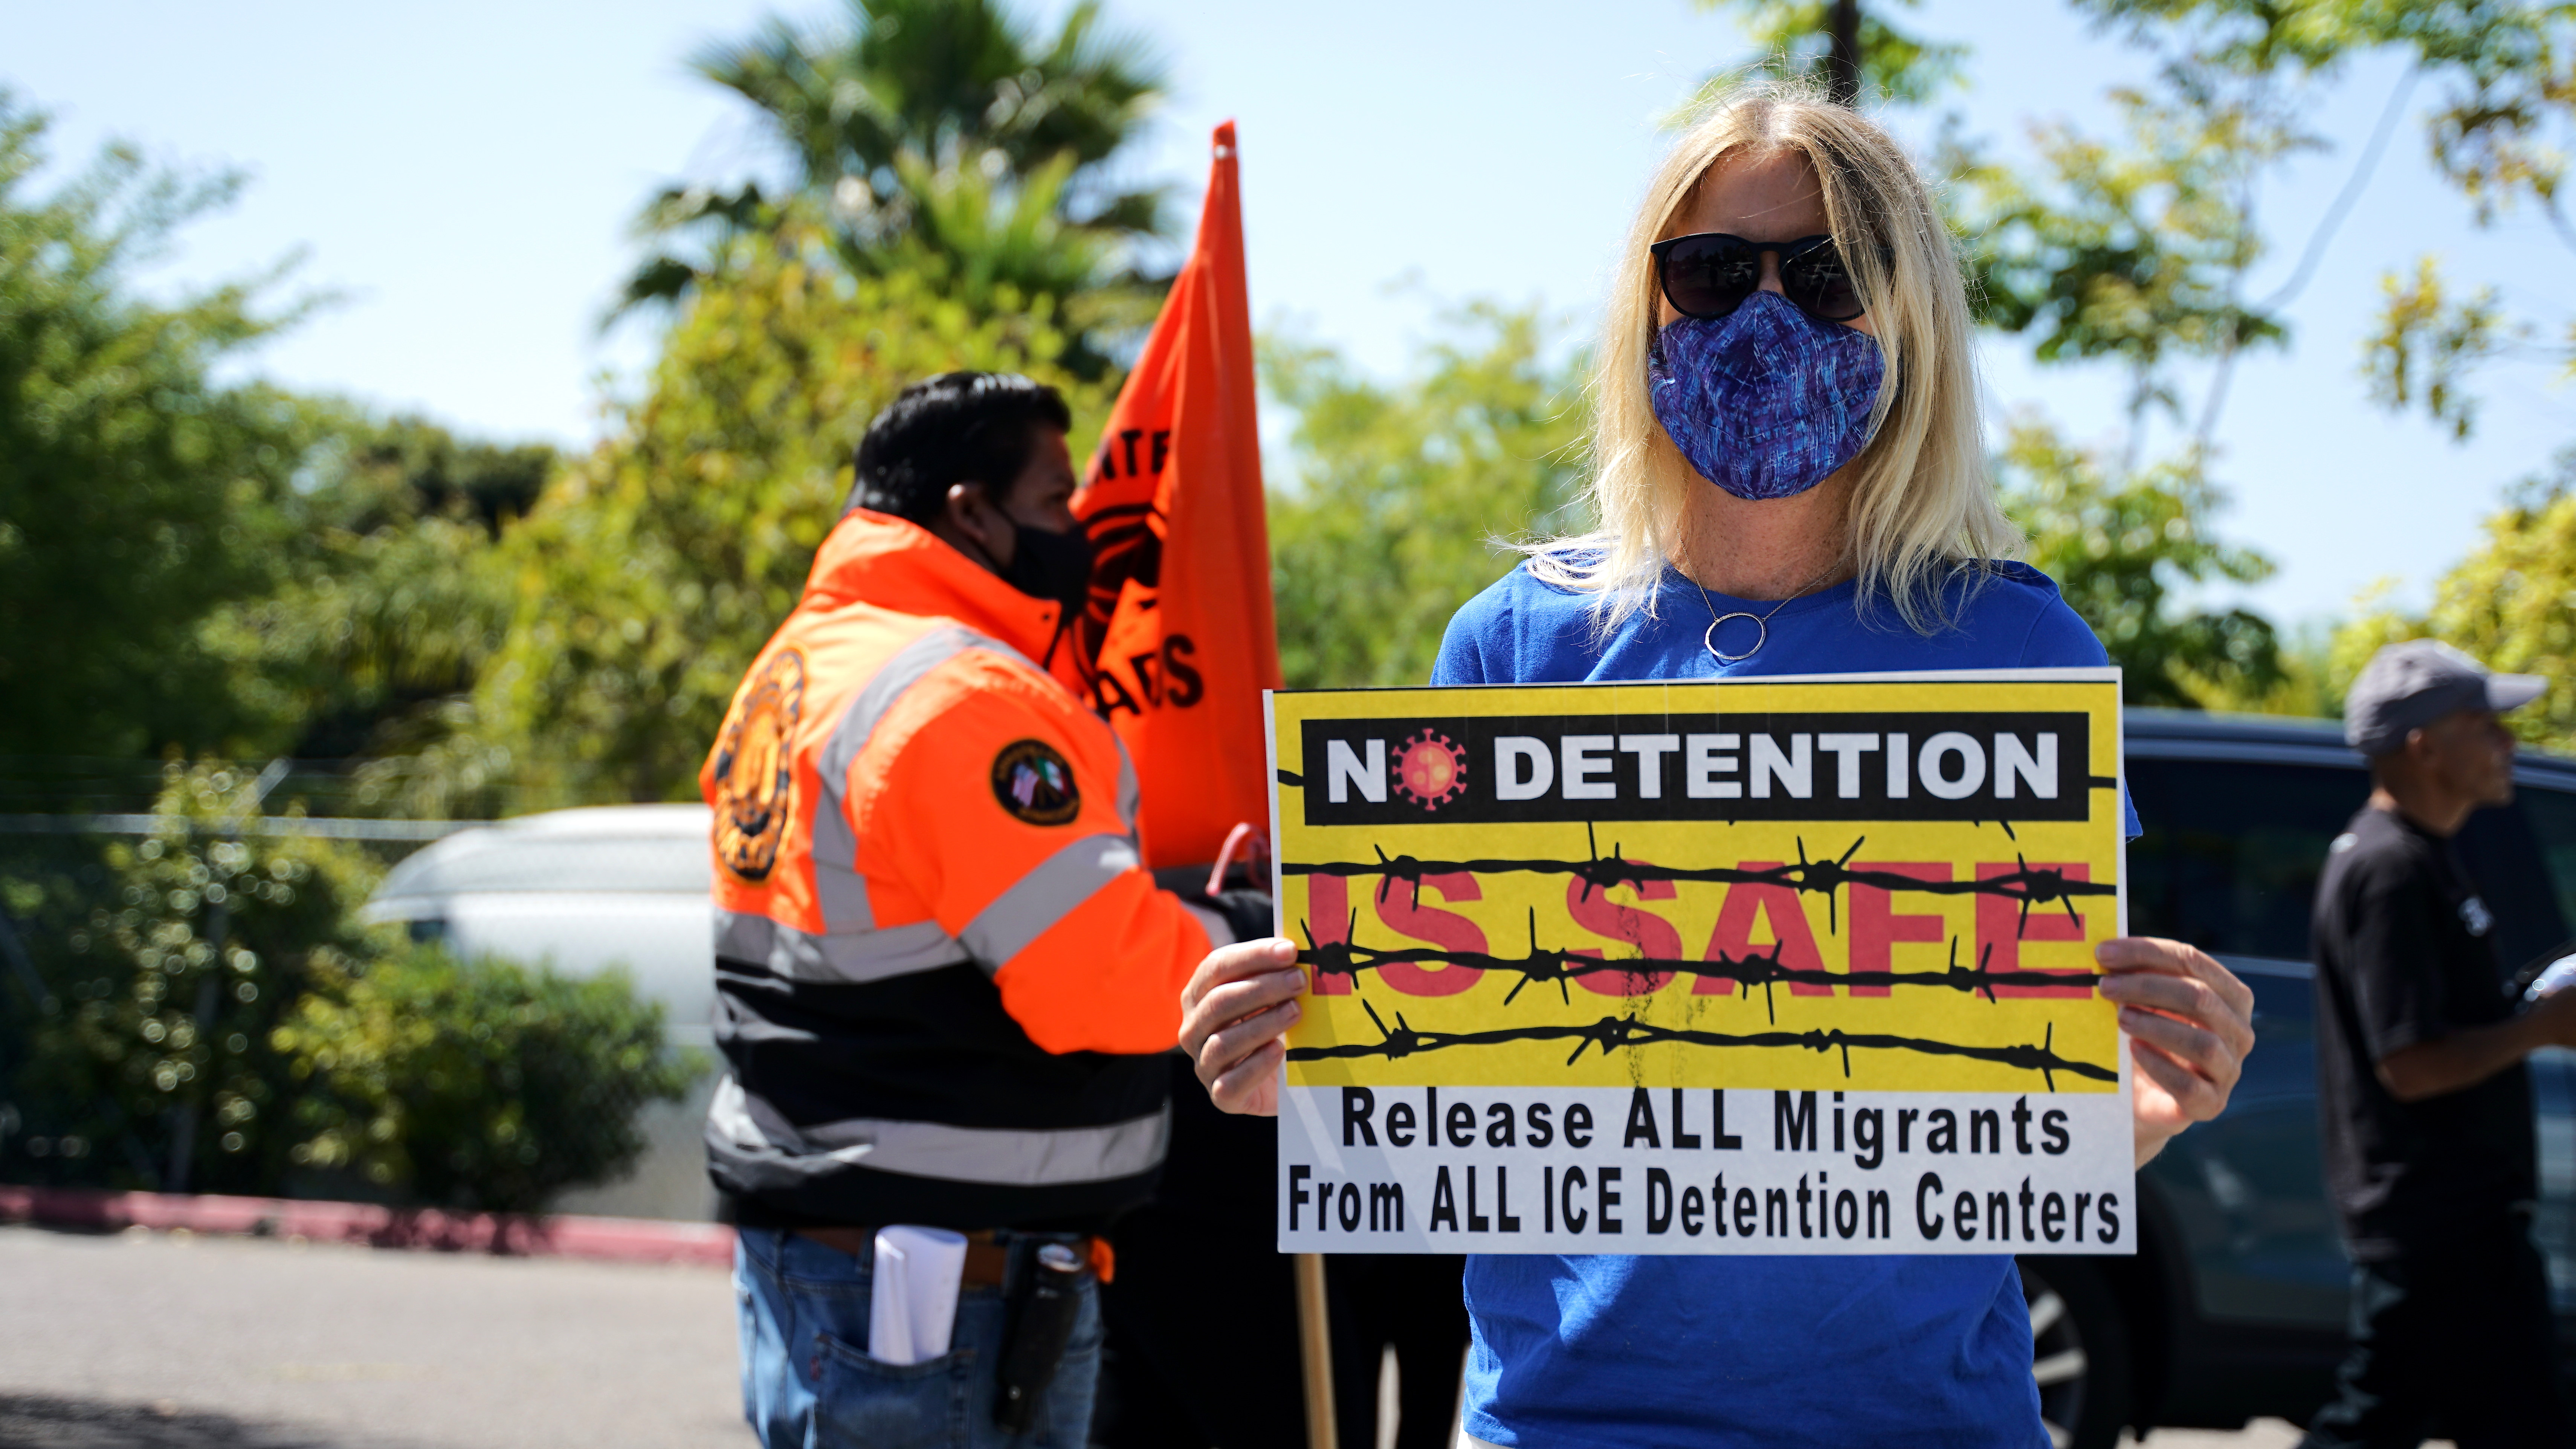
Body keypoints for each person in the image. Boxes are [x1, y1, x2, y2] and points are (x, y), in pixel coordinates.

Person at [1175, 83, 2257, 1448]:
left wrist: (2144, 1110)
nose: (1763, 318)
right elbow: (1445, 1076)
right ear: (1650, 309)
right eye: (1708, 271)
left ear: (1907, 311)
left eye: (1825, 275)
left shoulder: (2016, 645)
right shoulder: (1515, 641)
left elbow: (2035, 1100)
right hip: (1564, 1423)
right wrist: (1308, 1070)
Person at [702, 371, 1267, 1449]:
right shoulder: (959, 697)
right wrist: (1255, 934)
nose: (1079, 530)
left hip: (833, 1252)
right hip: (939, 1289)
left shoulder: (797, 667)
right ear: (970, 509)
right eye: (1057, 501)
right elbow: (1095, 980)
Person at [2298, 640, 2576, 1448]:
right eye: (2485, 725)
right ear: (2424, 745)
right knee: (2383, 1421)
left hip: (2462, 1221)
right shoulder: (2388, 870)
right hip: (2438, 1223)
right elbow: (2411, 1062)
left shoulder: (2424, 858)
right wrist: (2543, 1029)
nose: (2508, 745)